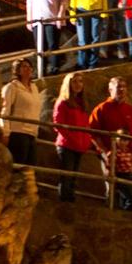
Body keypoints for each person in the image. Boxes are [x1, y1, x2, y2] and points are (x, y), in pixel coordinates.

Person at [89, 75, 132, 212]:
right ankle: (111, 213)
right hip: (110, 154)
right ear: (110, 89)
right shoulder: (101, 109)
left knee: (129, 185)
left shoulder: (130, 110)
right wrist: (104, 151)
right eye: (119, 87)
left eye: (124, 87)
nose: (122, 90)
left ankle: (126, 214)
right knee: (112, 185)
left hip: (127, 156)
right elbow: (93, 132)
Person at [26, 0, 68, 77]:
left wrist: (60, 15)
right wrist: (29, 18)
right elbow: (29, 0)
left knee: (52, 44)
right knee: (40, 46)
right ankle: (41, 68)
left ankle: (55, 68)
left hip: (52, 18)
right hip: (37, 19)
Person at [51, 71, 92, 203]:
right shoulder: (63, 102)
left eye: (80, 81)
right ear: (68, 84)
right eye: (74, 82)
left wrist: (86, 141)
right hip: (67, 145)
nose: (78, 84)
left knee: (73, 176)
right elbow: (58, 123)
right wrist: (72, 138)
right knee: (67, 176)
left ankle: (70, 200)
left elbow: (85, 125)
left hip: (79, 145)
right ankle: (64, 202)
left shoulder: (81, 103)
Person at [0, 57, 43, 165]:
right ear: (17, 70)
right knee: (20, 165)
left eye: (29, 66)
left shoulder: (34, 88)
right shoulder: (12, 87)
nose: (28, 69)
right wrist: (5, 133)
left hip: (31, 133)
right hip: (18, 133)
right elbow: (5, 110)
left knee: (30, 167)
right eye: (24, 66)